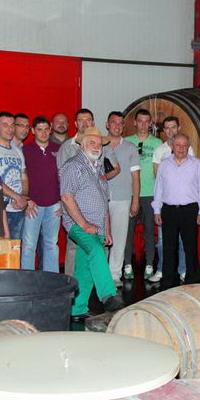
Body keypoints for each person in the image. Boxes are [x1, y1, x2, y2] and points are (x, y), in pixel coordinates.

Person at [59, 127, 124, 320]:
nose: (97, 147)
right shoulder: (73, 165)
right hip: (78, 224)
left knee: (84, 267)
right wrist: (84, 224)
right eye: (92, 143)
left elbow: (104, 201)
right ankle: (108, 295)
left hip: (98, 226)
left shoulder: (99, 168)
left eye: (99, 144)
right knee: (96, 250)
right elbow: (66, 197)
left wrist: (107, 230)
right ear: (82, 144)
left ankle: (77, 309)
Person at [153, 133, 200, 289]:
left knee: (190, 246)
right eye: (178, 145)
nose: (181, 148)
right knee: (168, 247)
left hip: (190, 210)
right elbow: (158, 188)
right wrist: (156, 210)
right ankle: (168, 281)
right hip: (168, 210)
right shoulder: (164, 164)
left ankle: (193, 280)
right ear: (172, 146)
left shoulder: (197, 164)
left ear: (188, 146)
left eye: (184, 145)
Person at [150, 116, 195, 283]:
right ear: (164, 130)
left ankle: (183, 269)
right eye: (167, 128)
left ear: (179, 127)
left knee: (183, 240)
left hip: (184, 203)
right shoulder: (159, 150)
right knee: (163, 241)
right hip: (166, 203)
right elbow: (158, 178)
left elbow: (192, 175)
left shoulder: (188, 149)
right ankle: (162, 269)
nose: (171, 131)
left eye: (173, 127)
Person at [124, 109, 163, 281]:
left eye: (147, 121)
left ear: (150, 124)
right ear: (135, 122)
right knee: (128, 231)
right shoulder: (127, 141)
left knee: (149, 231)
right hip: (131, 193)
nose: (143, 124)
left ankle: (149, 264)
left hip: (150, 193)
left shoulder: (157, 143)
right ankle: (127, 264)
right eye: (140, 121)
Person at [56, 108, 95, 276]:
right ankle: (71, 281)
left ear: (93, 122)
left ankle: (92, 278)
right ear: (75, 123)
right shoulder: (67, 147)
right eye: (81, 120)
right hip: (74, 203)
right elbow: (61, 177)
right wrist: (63, 202)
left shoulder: (99, 146)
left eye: (88, 120)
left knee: (95, 242)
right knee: (74, 244)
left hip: (94, 204)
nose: (85, 124)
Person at [104, 111, 140, 286]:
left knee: (119, 238)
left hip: (122, 198)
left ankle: (114, 274)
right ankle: (100, 273)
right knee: (100, 238)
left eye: (120, 123)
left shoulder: (131, 148)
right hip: (99, 198)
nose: (117, 126)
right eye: (114, 122)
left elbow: (135, 177)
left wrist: (135, 200)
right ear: (107, 124)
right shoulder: (98, 145)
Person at [21, 116, 61, 272]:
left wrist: (63, 201)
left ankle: (52, 277)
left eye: (46, 129)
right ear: (33, 131)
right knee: (29, 244)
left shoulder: (58, 149)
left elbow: (65, 176)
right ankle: (27, 278)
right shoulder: (25, 150)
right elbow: (21, 178)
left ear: (50, 130)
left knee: (51, 244)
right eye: (39, 130)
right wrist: (27, 199)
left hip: (54, 204)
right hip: (33, 205)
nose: (43, 133)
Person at [0, 111, 29, 240]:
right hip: (1, 210)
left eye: (12, 125)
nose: (10, 129)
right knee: (1, 246)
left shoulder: (17, 151)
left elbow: (24, 176)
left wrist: (23, 198)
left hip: (18, 209)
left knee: (16, 247)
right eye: (5, 125)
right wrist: (17, 197)